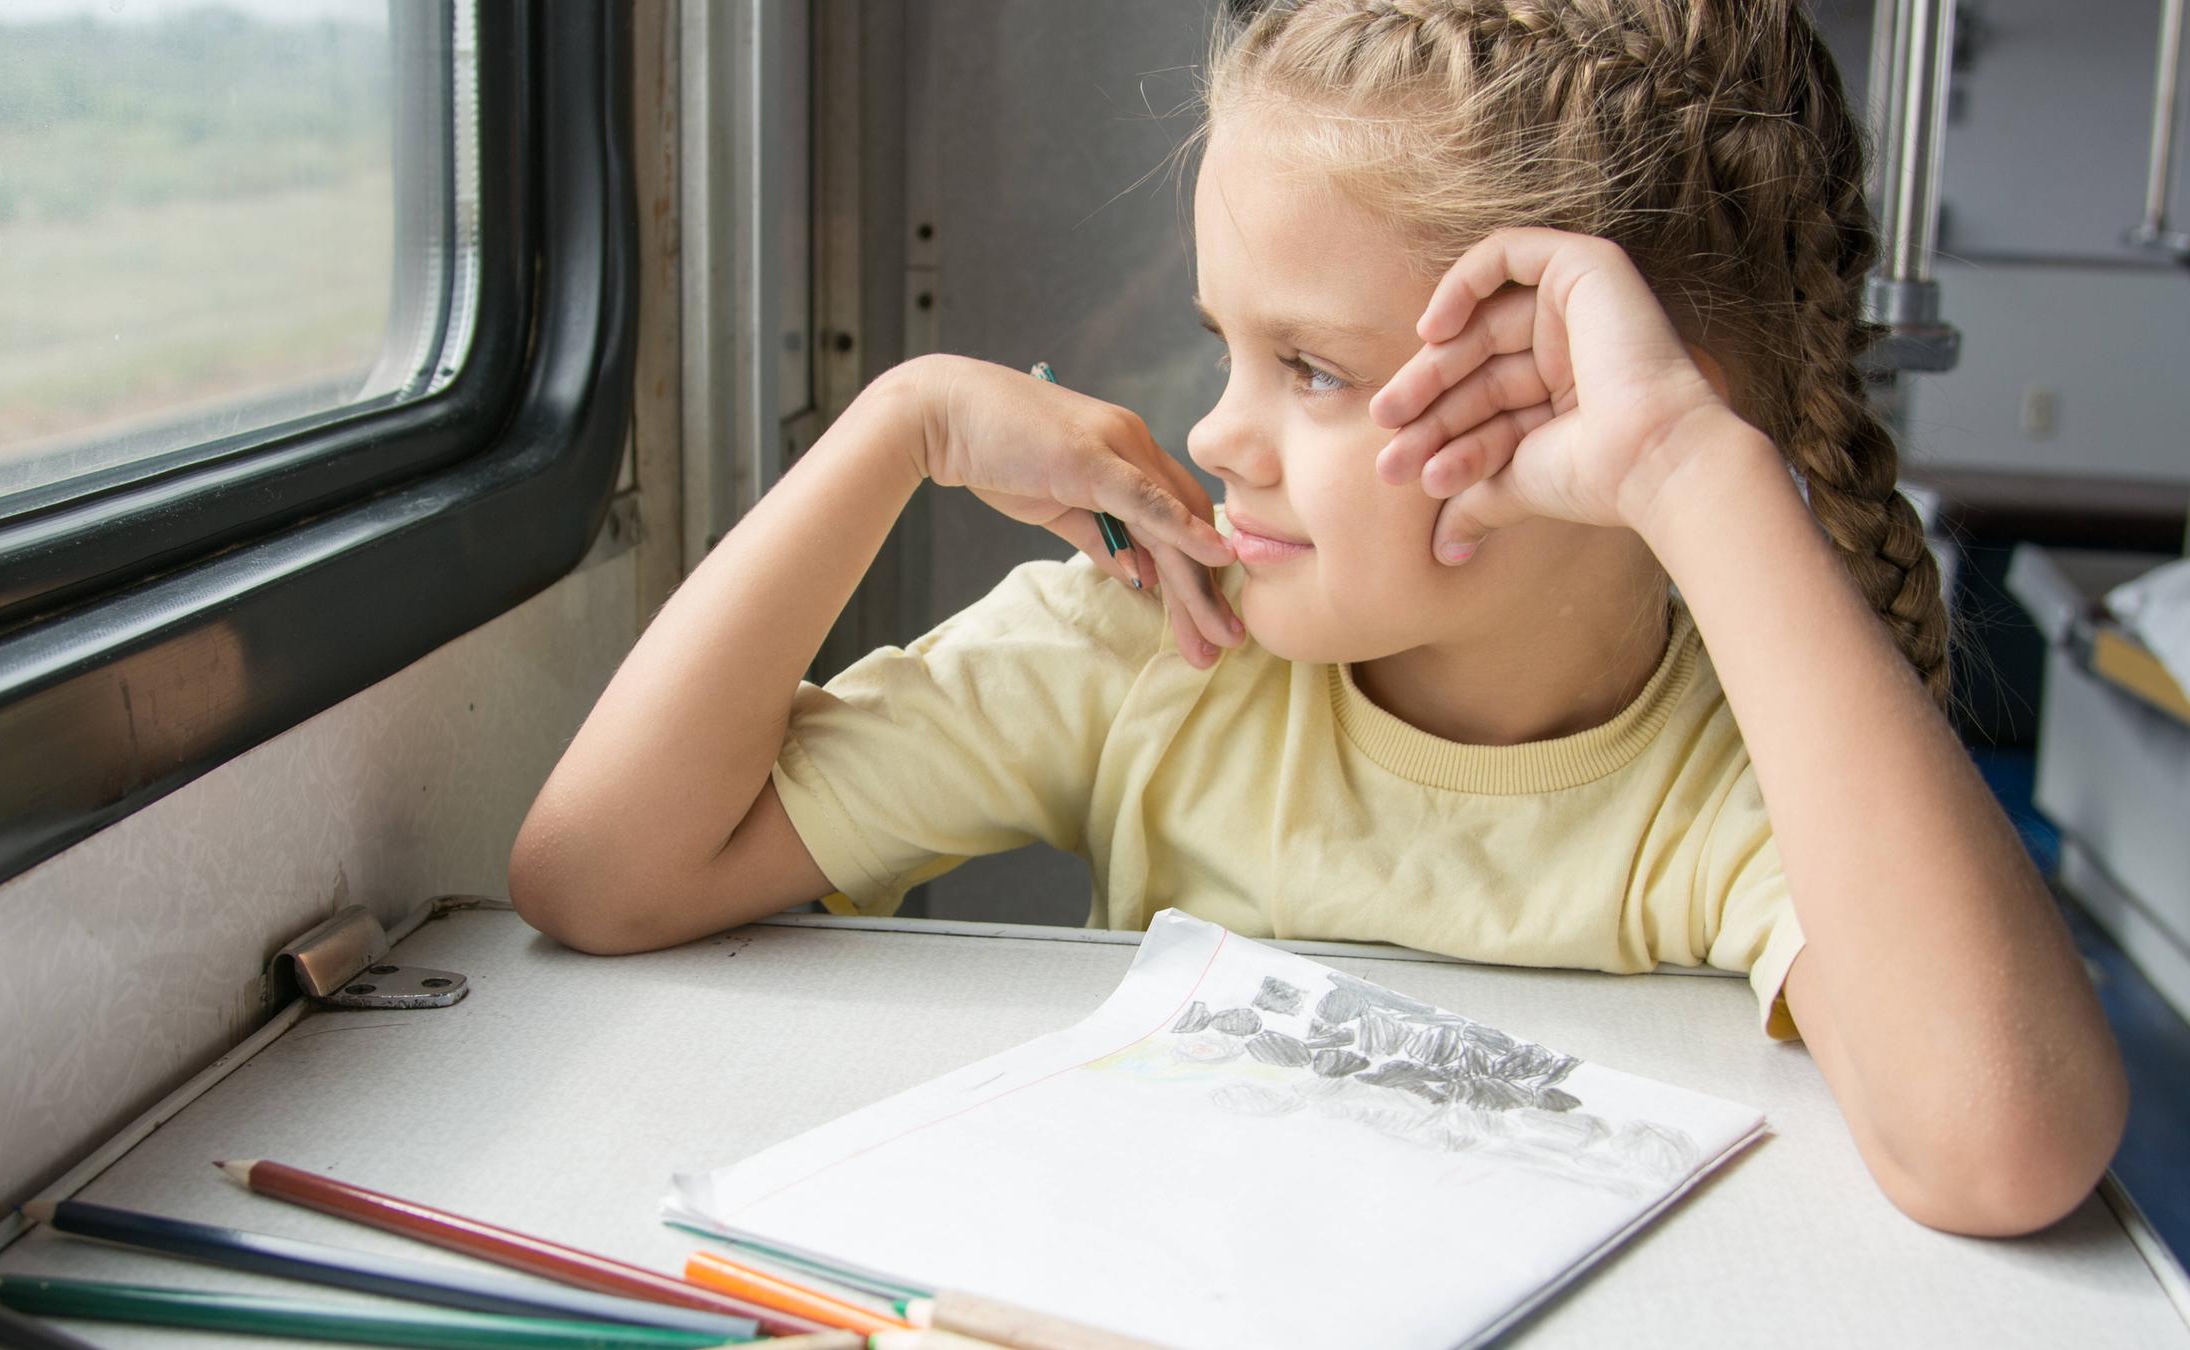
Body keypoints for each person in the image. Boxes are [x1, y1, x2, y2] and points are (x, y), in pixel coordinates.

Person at [509, 0, 2125, 1235]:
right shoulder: (1159, 649)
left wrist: (1688, 466)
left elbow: (2004, 1143)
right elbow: (600, 871)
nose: (1218, 434)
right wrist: (900, 426)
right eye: (1227, 347)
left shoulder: (1731, 777)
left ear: (1580, 405)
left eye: (1316, 370)